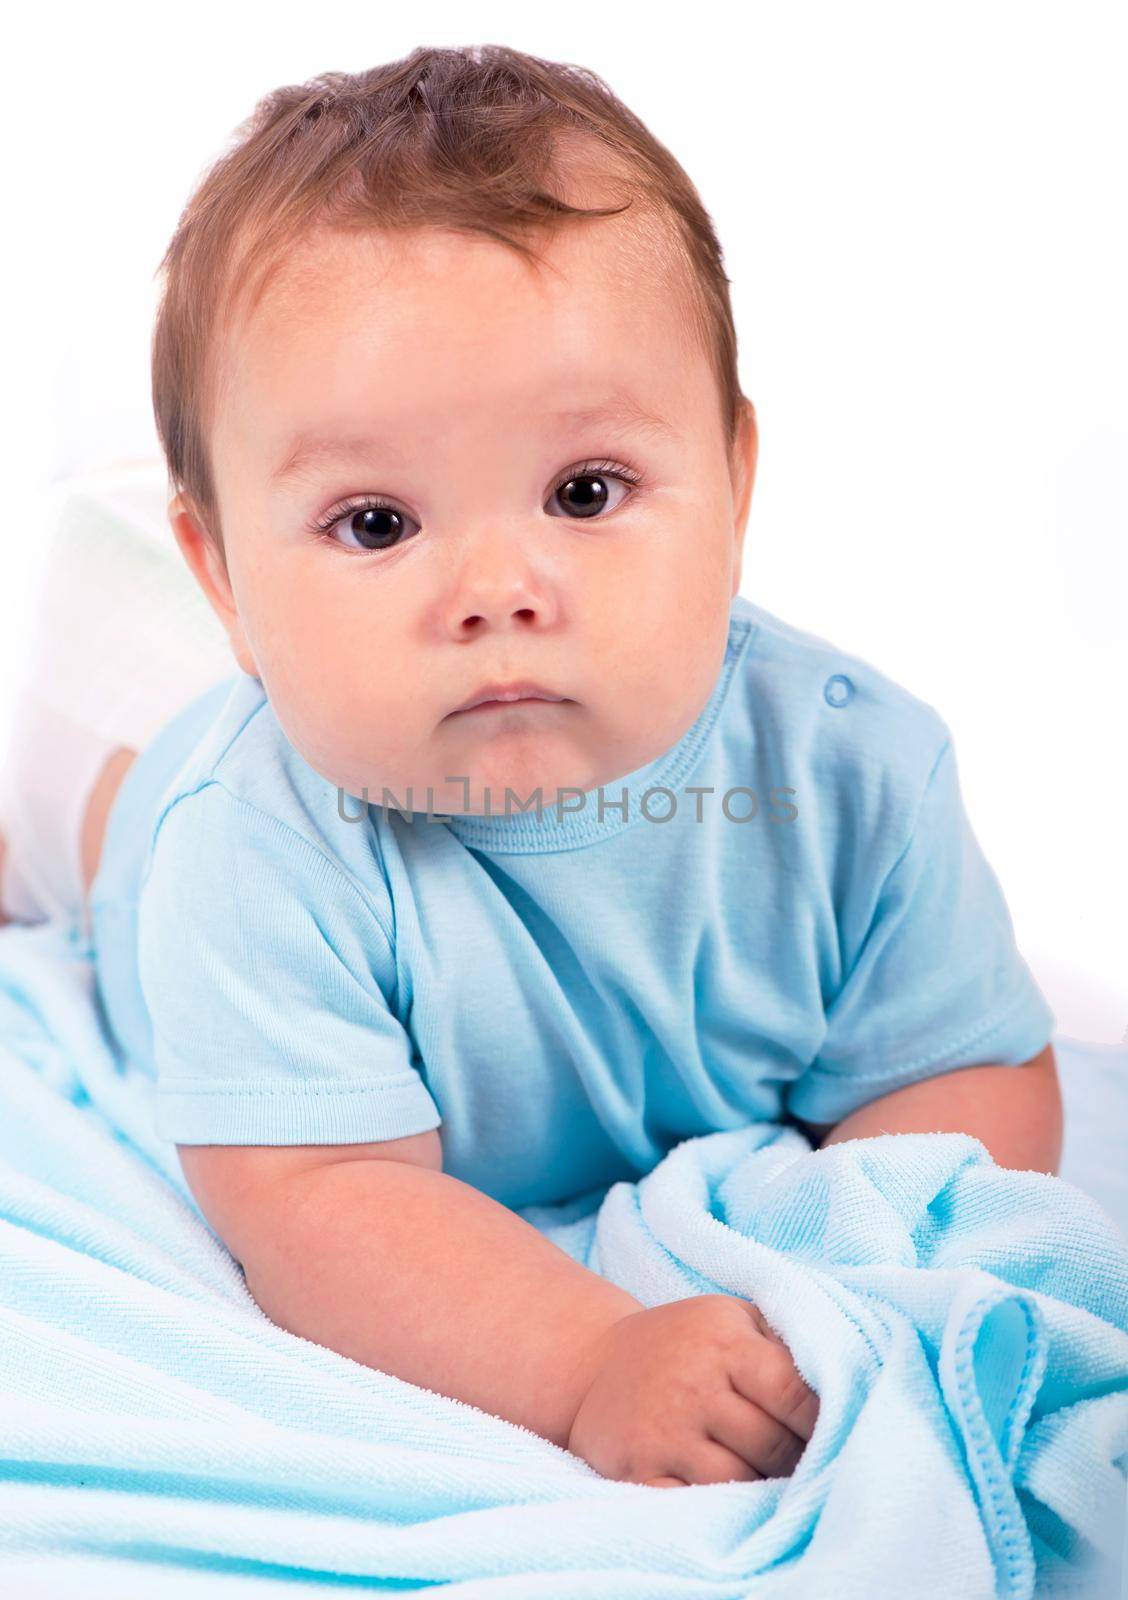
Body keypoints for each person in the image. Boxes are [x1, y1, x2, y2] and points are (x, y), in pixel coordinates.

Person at [0, 44, 1062, 1491]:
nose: (498, 587)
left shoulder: (853, 776)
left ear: (736, 487)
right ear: (230, 586)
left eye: (585, 492)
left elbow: (966, 1071)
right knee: (81, 815)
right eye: (377, 522)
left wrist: (856, 1279)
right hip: (141, 786)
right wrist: (587, 1359)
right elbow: (320, 1197)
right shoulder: (244, 849)